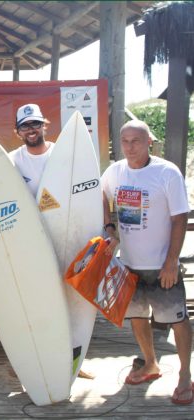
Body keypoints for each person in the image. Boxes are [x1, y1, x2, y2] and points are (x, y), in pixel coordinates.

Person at [102, 120, 192, 405]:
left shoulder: (166, 172)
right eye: (125, 141)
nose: (129, 147)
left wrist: (171, 261)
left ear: (149, 141)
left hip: (161, 265)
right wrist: (109, 228)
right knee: (137, 316)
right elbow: (102, 194)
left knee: (177, 319)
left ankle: (186, 375)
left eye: (136, 141)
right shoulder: (115, 171)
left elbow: (180, 218)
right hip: (129, 264)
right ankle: (151, 364)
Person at [8, 103, 54, 195]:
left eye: (35, 124)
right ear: (18, 131)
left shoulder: (60, 151)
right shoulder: (11, 160)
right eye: (24, 126)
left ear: (43, 125)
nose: (31, 130)